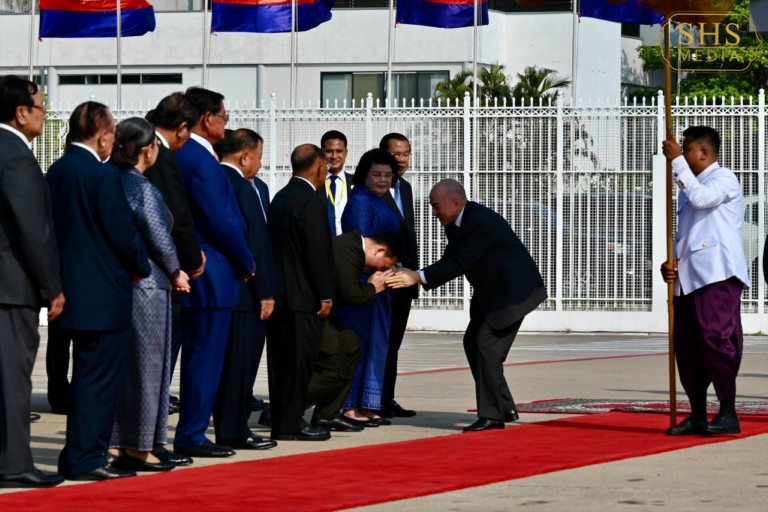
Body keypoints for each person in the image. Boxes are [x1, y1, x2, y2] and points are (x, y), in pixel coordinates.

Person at [387, 179, 547, 432]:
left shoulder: (480, 221)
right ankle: (503, 407)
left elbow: (461, 262)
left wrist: (418, 277)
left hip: (513, 295)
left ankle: (492, 416)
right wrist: (416, 274)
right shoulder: (457, 222)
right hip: (492, 294)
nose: (434, 213)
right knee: (473, 342)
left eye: (437, 206)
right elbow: (450, 259)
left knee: (485, 346)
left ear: (456, 202)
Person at [47, 101, 151, 480]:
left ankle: (77, 453)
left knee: (85, 379)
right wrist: (141, 266)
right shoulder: (101, 176)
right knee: (99, 382)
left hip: (70, 290)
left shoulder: (57, 171)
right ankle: (87, 456)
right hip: (105, 293)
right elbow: (123, 233)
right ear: (104, 136)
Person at [173, 87, 255, 458]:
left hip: (192, 273)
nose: (226, 123)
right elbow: (223, 221)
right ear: (207, 119)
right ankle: (191, 433)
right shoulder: (201, 159)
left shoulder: (182, 154)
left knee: (190, 358)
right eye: (224, 116)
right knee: (204, 361)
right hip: (211, 275)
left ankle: (182, 432)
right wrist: (246, 260)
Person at [107, 117, 191, 473]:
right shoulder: (141, 188)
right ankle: (140, 445)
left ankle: (120, 441)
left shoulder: (111, 180)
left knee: (127, 367)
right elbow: (160, 238)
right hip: (149, 286)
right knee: (148, 367)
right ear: (148, 150)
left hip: (123, 284)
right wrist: (176, 271)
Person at [660, 126, 750, 436]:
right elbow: (688, 235)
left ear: (704, 152)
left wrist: (676, 161)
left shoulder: (724, 179)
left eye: (686, 149)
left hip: (717, 275)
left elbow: (701, 199)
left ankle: (727, 413)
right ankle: (698, 413)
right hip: (689, 279)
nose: (681, 154)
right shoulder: (689, 186)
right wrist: (671, 263)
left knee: (715, 340)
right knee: (686, 348)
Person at [0, 75, 65, 488]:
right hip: (11, 289)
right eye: (41, 107)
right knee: (13, 381)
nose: (44, 114)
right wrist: (51, 287)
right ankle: (14, 464)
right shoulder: (17, 157)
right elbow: (34, 231)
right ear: (21, 112)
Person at [212, 128, 277, 451]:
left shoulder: (214, 180)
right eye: (259, 157)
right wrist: (266, 291)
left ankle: (229, 427)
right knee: (240, 365)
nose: (260, 165)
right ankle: (235, 430)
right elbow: (256, 243)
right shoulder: (242, 187)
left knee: (225, 366)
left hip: (221, 289)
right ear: (245, 156)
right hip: (245, 292)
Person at [144, 93, 205, 424]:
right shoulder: (162, 157)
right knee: (157, 356)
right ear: (182, 128)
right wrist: (192, 260)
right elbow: (175, 217)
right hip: (158, 273)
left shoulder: (141, 150)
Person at [267, 144, 335, 441]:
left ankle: (282, 419)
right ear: (318, 166)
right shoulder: (311, 201)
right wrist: (325, 293)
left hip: (280, 295)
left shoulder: (281, 197)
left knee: (280, 363)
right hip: (304, 297)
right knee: (299, 364)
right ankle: (292, 423)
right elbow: (316, 252)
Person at [307, 231, 399, 432]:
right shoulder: (349, 250)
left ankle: (327, 414)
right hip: (310, 314)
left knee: (352, 344)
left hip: (323, 315)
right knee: (336, 364)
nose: (379, 270)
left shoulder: (352, 247)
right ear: (379, 251)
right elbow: (351, 295)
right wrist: (373, 287)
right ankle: (283, 406)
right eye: (383, 266)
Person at [338, 149, 402, 425]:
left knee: (375, 345)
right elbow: (362, 247)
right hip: (365, 284)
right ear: (364, 175)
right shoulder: (361, 203)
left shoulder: (379, 200)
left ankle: (366, 404)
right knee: (360, 346)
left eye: (388, 175)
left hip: (382, 284)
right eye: (377, 174)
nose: (383, 180)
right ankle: (350, 406)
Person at [379, 133, 419, 418]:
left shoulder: (405, 188)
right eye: (396, 154)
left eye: (406, 154)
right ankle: (372, 400)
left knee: (393, 343)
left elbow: (409, 234)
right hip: (382, 277)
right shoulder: (373, 188)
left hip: (405, 278)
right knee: (379, 342)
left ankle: (387, 398)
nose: (402, 160)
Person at [321, 130, 353, 236]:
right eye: (329, 151)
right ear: (322, 152)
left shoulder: (357, 183)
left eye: (339, 151)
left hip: (349, 244)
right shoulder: (315, 183)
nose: (334, 156)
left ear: (346, 153)